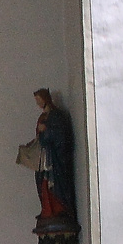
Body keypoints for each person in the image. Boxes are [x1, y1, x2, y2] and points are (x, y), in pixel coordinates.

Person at [31, 88, 77, 229]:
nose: (38, 103)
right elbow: (40, 138)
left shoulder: (56, 116)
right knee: (43, 183)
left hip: (55, 158)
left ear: (45, 99)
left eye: (39, 100)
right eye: (37, 101)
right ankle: (47, 211)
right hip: (44, 157)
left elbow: (61, 137)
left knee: (54, 183)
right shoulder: (42, 118)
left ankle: (59, 210)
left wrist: (46, 131)